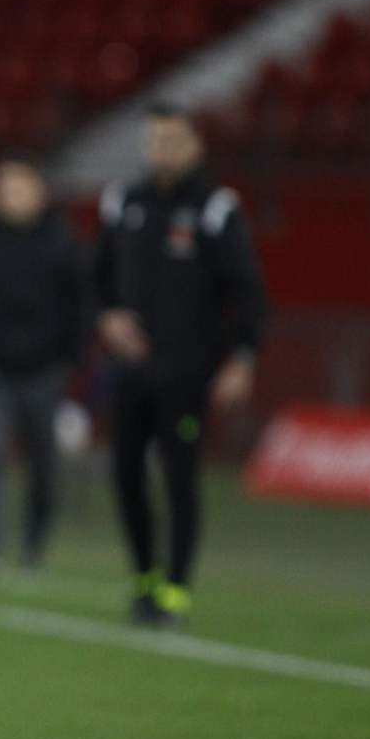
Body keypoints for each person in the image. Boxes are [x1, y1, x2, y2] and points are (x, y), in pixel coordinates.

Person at [95, 103, 267, 628]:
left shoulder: (215, 209)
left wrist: (242, 359)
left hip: (188, 373)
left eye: (171, 140)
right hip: (130, 373)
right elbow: (95, 277)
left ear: (196, 146)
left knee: (180, 478)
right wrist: (108, 317)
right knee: (124, 475)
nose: (160, 151)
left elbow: (250, 293)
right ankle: (143, 576)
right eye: (154, 140)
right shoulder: (124, 202)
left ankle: (175, 589)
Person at [0, 158, 88, 577]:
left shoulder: (63, 246)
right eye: (4, 188)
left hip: (44, 371)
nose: (11, 196)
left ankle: (32, 548)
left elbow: (79, 305)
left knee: (44, 463)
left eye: (19, 187)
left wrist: (68, 358)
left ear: (40, 192)